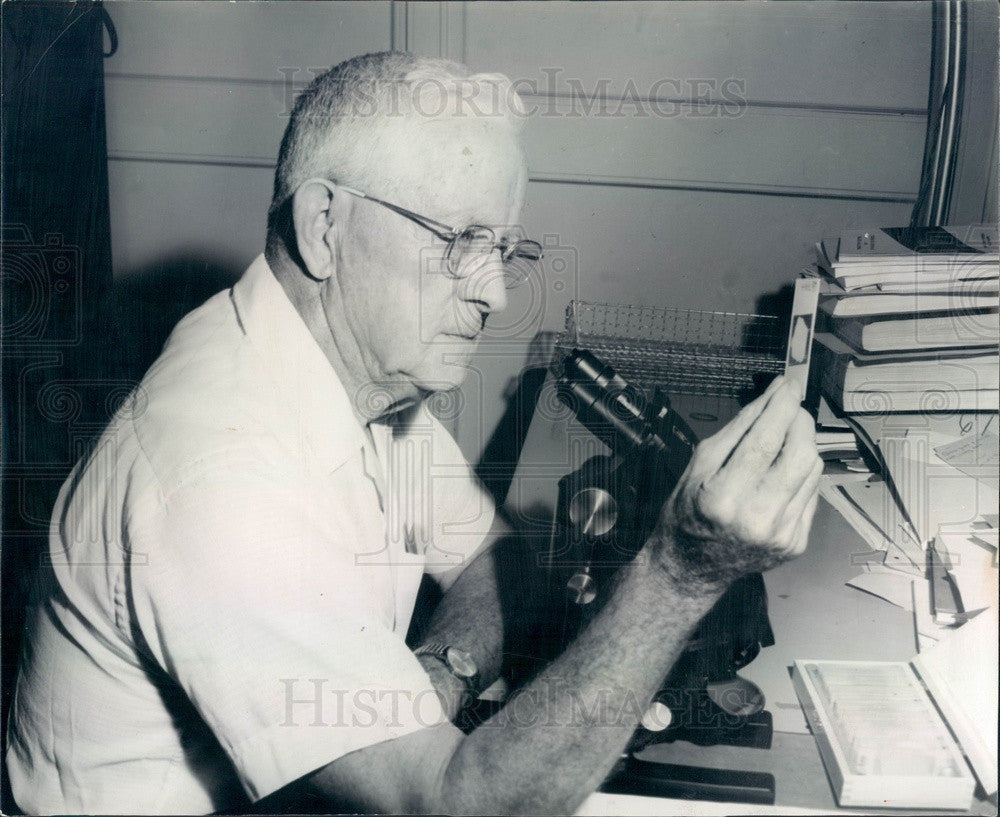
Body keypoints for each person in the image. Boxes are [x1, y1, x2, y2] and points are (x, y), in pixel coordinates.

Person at [5, 51, 822, 815]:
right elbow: (458, 800)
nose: (497, 294)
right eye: (463, 241)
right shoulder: (219, 481)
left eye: (504, 248)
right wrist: (681, 572)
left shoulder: (347, 372)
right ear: (325, 226)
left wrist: (441, 671)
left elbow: (490, 556)